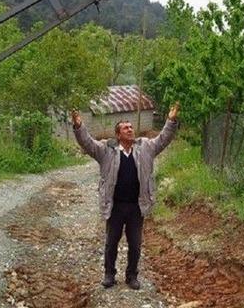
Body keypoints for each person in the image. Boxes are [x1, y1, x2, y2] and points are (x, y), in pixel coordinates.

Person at [71, 102, 180, 290]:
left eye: (131, 127)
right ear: (118, 135)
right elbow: (87, 143)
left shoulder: (145, 147)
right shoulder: (106, 150)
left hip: (137, 206)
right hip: (115, 206)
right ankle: (109, 275)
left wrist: (171, 120)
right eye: (125, 128)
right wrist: (79, 126)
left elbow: (163, 139)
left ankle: (131, 276)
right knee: (111, 243)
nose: (130, 130)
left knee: (136, 245)